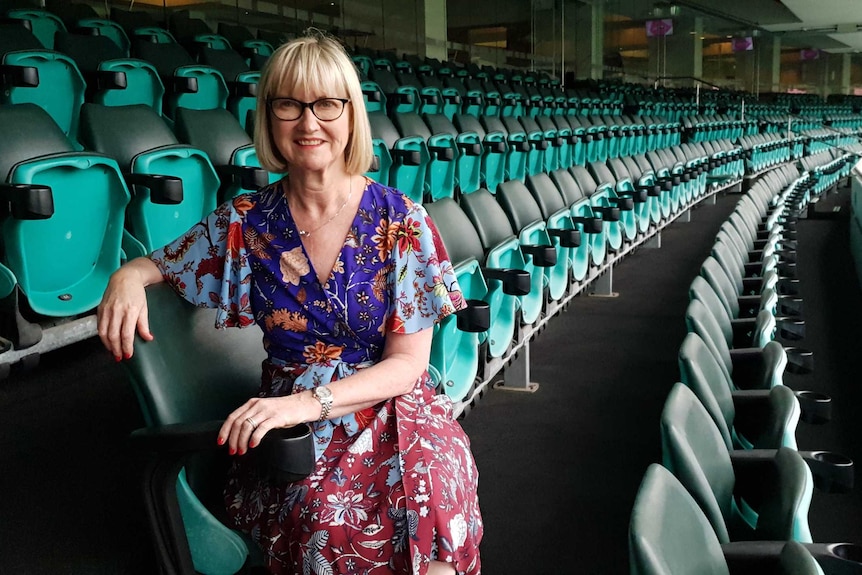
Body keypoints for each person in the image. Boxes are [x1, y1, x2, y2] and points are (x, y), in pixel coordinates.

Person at [97, 31, 482, 575]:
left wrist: (309, 402)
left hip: (392, 409)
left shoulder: (403, 220)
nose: (308, 122)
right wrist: (127, 276)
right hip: (293, 433)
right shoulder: (245, 221)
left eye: (326, 104)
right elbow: (158, 263)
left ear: (351, 115)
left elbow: (408, 364)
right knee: (328, 518)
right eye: (289, 104)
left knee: (435, 513)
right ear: (269, 116)